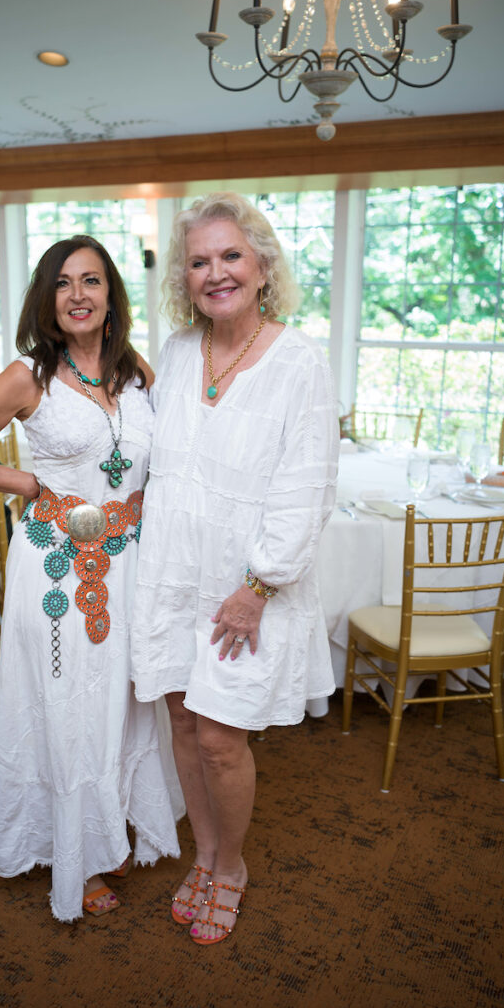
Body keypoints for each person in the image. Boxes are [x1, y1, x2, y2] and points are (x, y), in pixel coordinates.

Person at [0, 235, 180, 922]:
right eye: (64, 283)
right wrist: (31, 482)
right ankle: (80, 855)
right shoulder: (29, 376)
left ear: (110, 296)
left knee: (124, 699)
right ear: (48, 298)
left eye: (92, 281)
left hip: (130, 562)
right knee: (70, 702)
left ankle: (114, 823)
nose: (78, 295)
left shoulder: (137, 374)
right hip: (57, 569)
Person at [131, 192, 338, 945]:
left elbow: (307, 486)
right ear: (183, 278)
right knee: (183, 722)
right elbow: (153, 459)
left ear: (261, 266)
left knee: (222, 738)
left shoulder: (298, 362)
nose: (215, 272)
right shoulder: (180, 353)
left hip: (243, 587)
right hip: (172, 572)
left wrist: (259, 586)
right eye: (198, 261)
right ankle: (205, 853)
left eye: (230, 256)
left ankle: (234, 867)